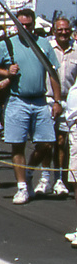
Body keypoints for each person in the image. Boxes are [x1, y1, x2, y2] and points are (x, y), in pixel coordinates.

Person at [0, 7, 61, 203]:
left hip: (40, 101)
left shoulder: (43, 44)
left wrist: (57, 101)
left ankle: (27, 175)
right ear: (16, 25)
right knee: (17, 146)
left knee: (46, 144)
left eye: (28, 25)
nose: (25, 28)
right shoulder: (6, 45)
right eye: (21, 25)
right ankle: (21, 187)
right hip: (17, 100)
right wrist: (6, 73)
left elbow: (53, 74)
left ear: (34, 25)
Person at [52, 17, 77, 196]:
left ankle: (66, 177)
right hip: (51, 100)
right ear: (54, 31)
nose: (63, 32)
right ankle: (54, 177)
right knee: (51, 142)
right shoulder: (48, 50)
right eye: (60, 30)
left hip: (71, 101)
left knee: (66, 142)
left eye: (66, 29)